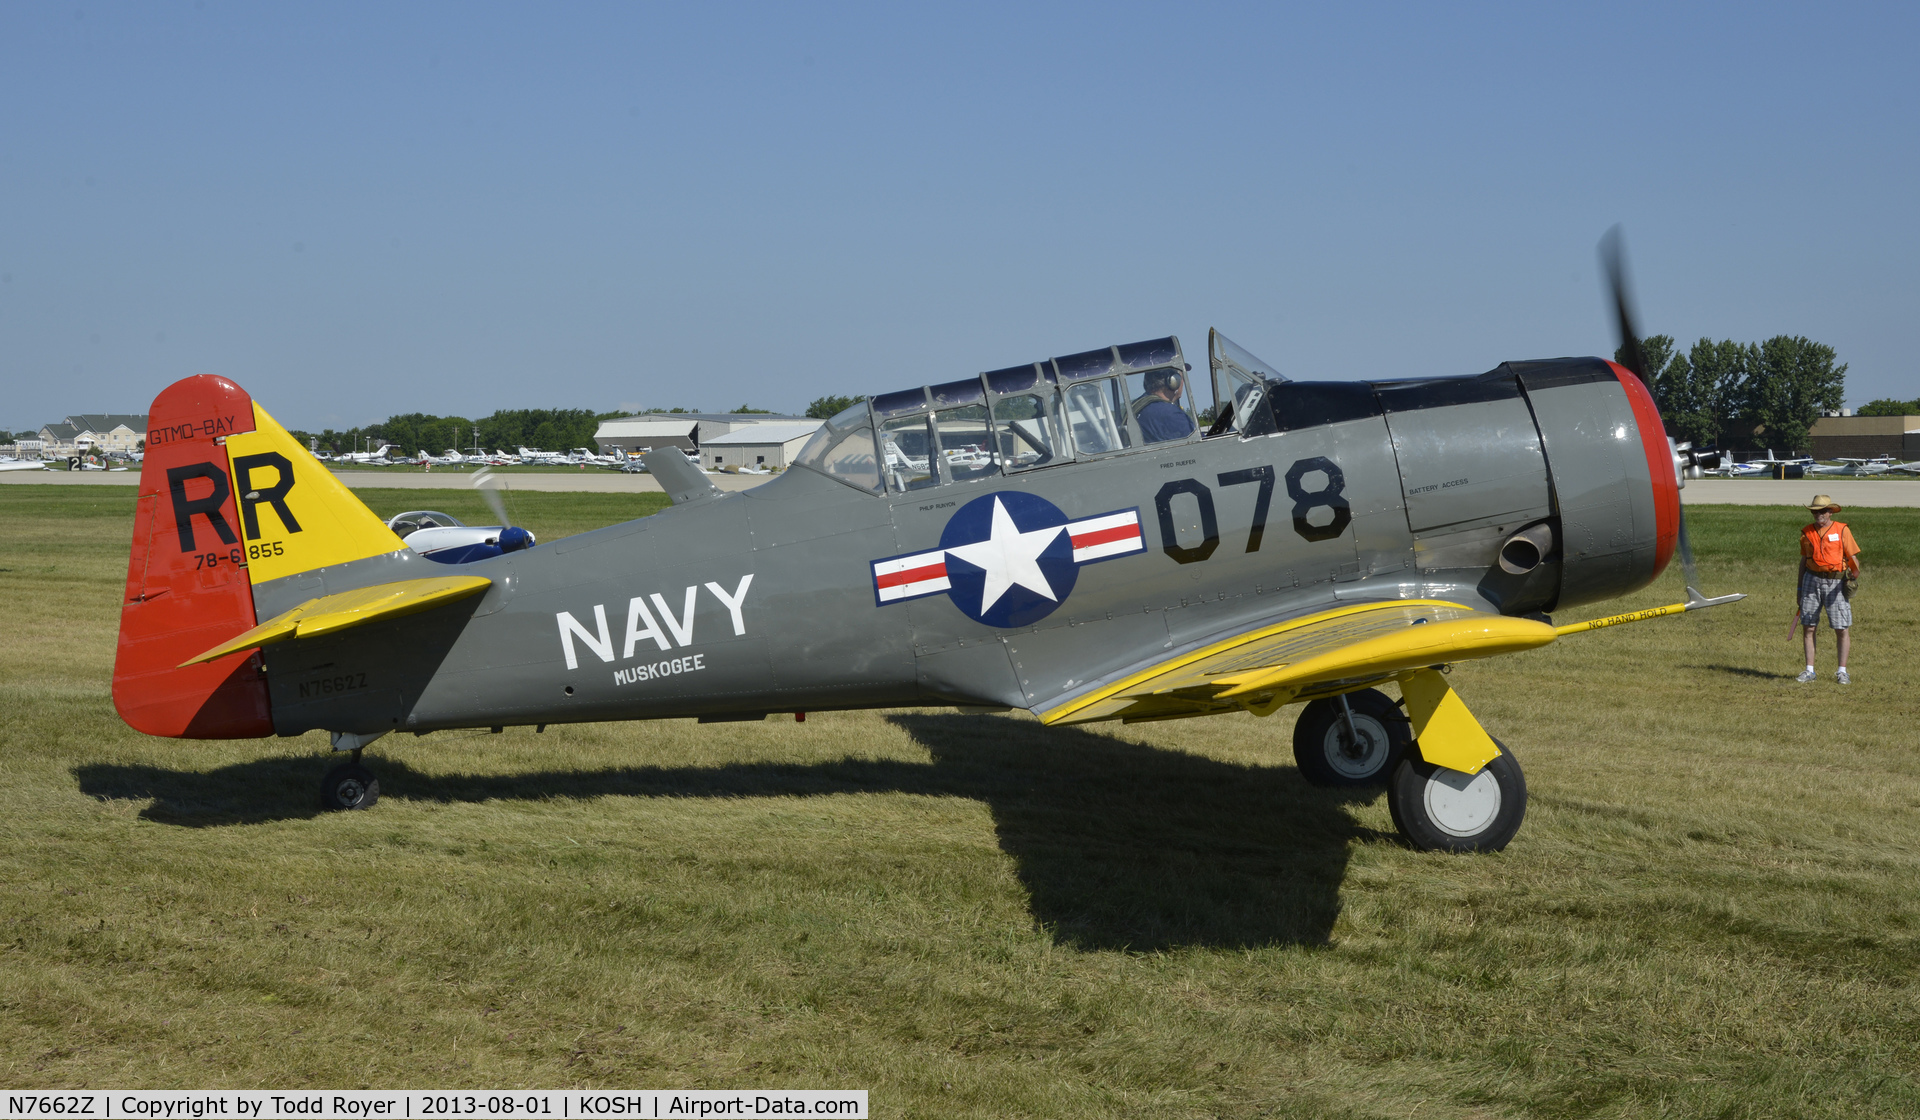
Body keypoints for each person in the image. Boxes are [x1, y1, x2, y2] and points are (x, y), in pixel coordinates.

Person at [1796, 494, 1861, 683]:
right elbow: (1803, 562)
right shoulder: (1806, 533)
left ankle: (1842, 672)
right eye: (1815, 511)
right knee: (1808, 626)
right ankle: (1809, 671)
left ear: (1830, 512)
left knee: (1841, 627)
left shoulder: (1842, 530)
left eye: (1822, 511)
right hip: (1811, 580)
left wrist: (1853, 576)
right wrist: (1799, 589)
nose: (1818, 515)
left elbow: (1853, 558)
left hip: (1836, 582)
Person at [1135, 369, 1195, 444]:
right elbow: (1198, 446)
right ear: (1174, 381)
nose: (1183, 382)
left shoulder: (1138, 405)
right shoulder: (1170, 415)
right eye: (1181, 378)